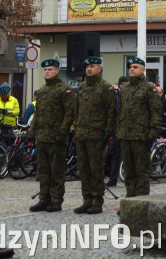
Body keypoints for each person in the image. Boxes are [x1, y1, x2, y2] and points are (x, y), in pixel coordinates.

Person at [28, 59, 75, 212]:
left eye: (49, 69)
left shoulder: (64, 89)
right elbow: (38, 113)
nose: (46, 72)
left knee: (57, 171)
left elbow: (69, 114)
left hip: (56, 138)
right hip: (42, 137)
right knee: (43, 171)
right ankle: (44, 198)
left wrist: (62, 132)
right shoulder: (41, 91)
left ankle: (56, 200)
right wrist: (32, 131)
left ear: (56, 71)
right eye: (45, 70)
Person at [74, 56, 116, 215]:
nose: (89, 69)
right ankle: (86, 200)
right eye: (87, 66)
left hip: (97, 135)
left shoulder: (106, 88)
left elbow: (111, 112)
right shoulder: (82, 87)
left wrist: (107, 133)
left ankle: (97, 201)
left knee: (96, 169)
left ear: (100, 68)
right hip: (82, 134)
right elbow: (76, 110)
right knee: (83, 169)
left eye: (92, 66)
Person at [115, 56, 161, 198]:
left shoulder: (149, 88)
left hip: (141, 137)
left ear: (143, 70)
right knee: (128, 171)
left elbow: (155, 112)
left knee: (141, 172)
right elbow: (119, 111)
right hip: (125, 136)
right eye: (130, 67)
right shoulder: (125, 89)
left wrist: (152, 134)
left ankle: (140, 203)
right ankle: (130, 201)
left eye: (135, 67)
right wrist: (118, 131)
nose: (132, 69)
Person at [106, 75, 128, 187]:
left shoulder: (131, 97)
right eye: (122, 84)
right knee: (115, 154)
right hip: (116, 129)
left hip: (128, 130)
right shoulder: (115, 97)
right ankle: (113, 179)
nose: (123, 86)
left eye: (125, 84)